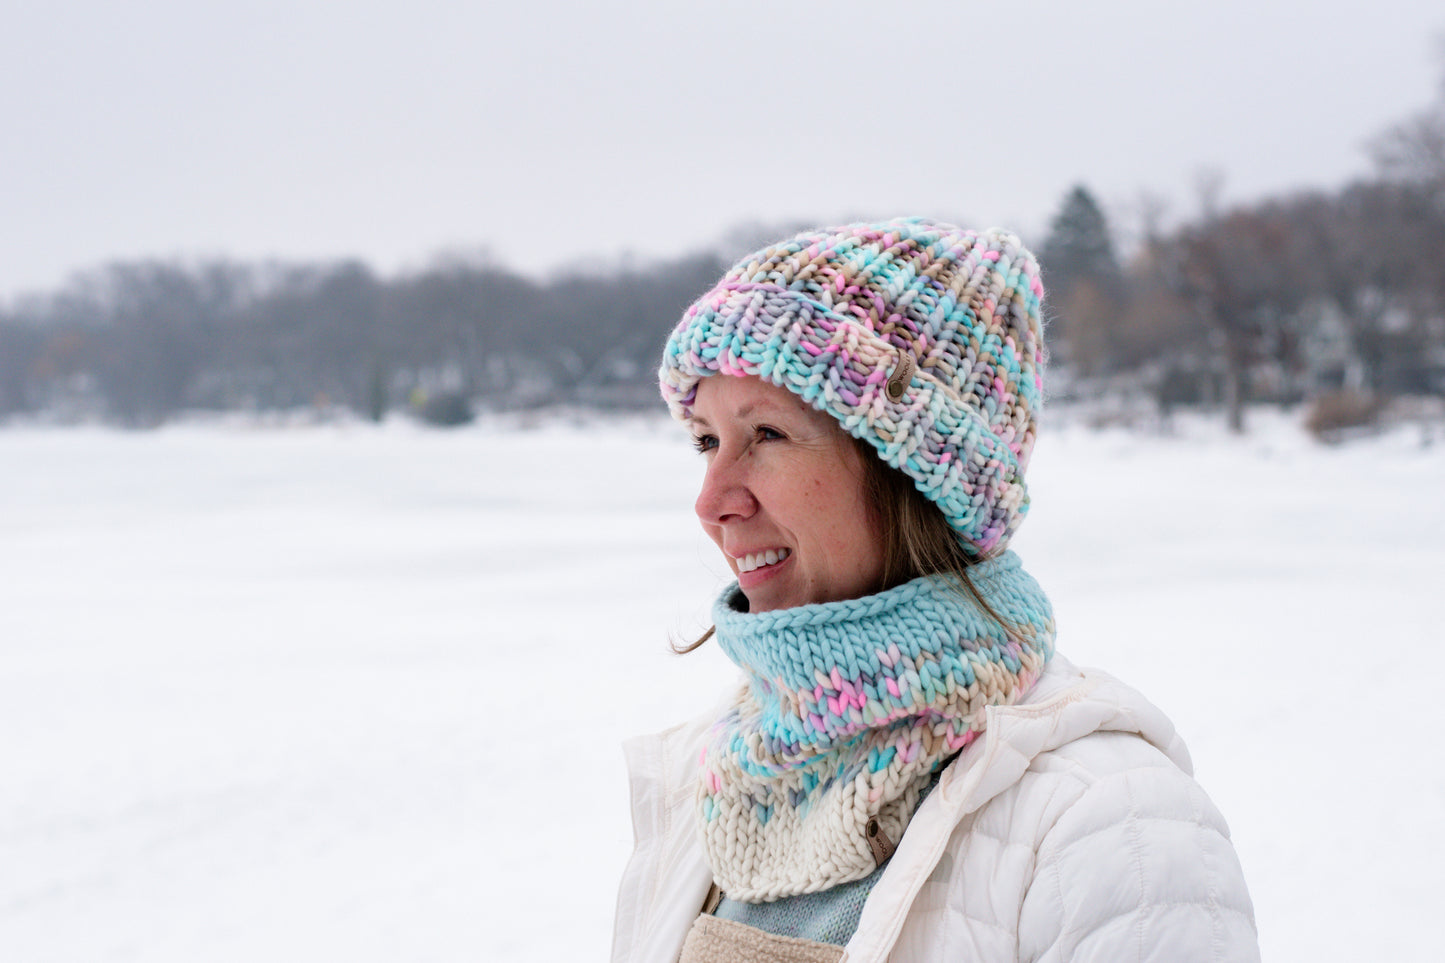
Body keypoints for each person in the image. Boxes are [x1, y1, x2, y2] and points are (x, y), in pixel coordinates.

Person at [611, 218, 1259, 963]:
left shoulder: (1113, 826)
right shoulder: (719, 777)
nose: (711, 501)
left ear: (918, 473)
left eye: (768, 435)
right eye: (706, 440)